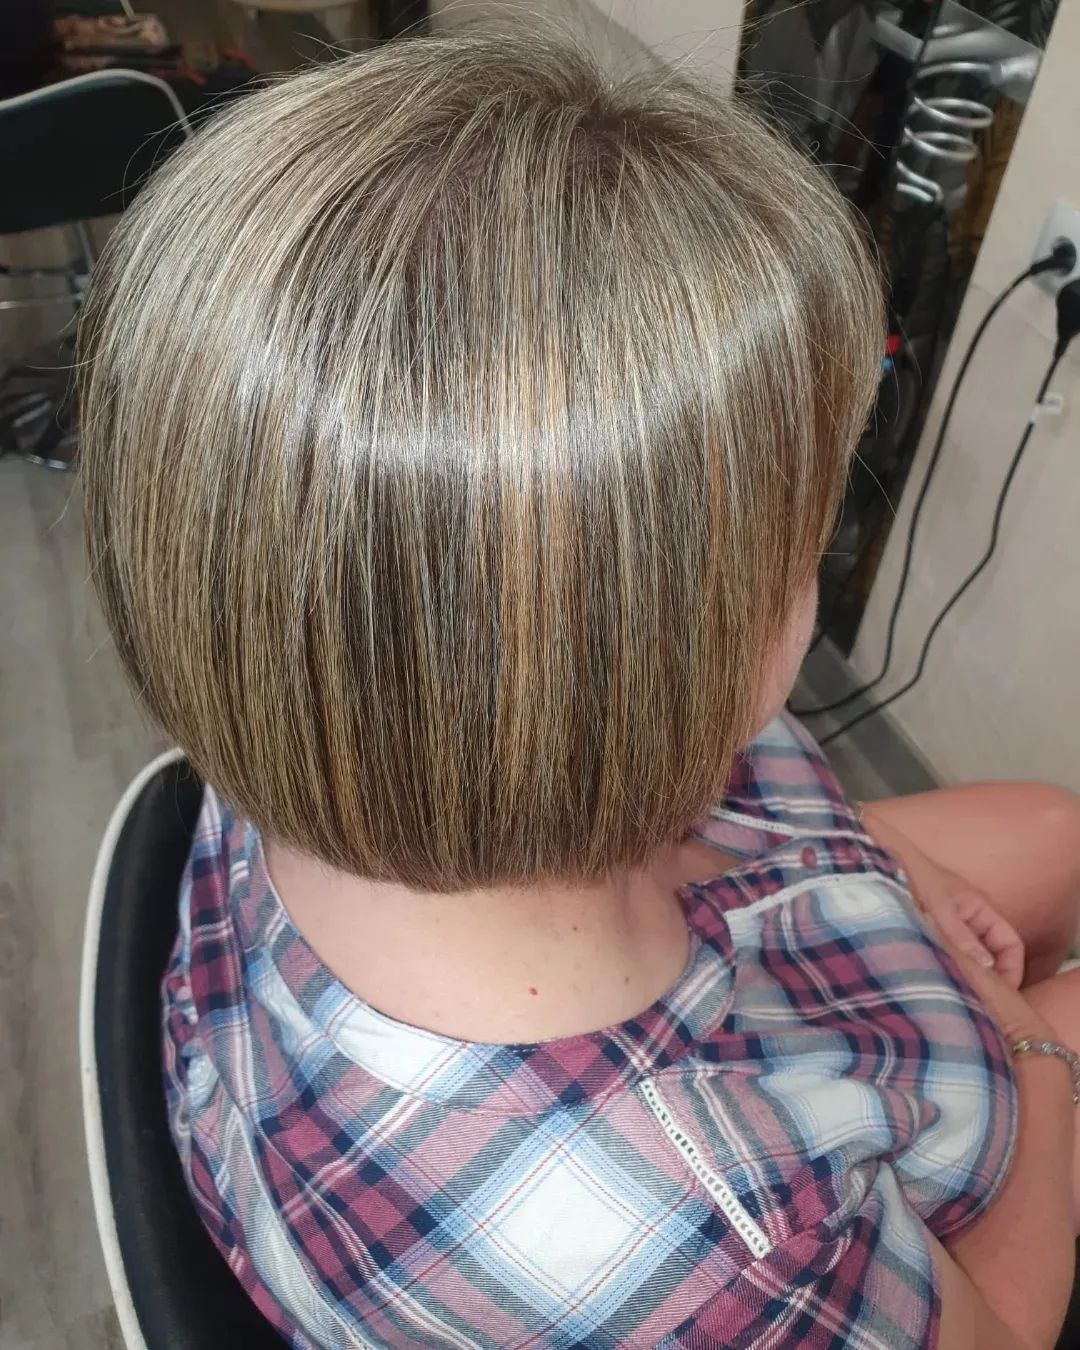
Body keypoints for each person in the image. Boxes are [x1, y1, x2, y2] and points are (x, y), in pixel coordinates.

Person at [77, 34, 1080, 1349]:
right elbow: (1001, 1329)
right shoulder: (707, 1242)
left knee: (1060, 832)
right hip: (848, 1125)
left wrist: (875, 875)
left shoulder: (323, 679)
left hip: (708, 933)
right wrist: (1031, 1053)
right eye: (801, 545)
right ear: (650, 662)